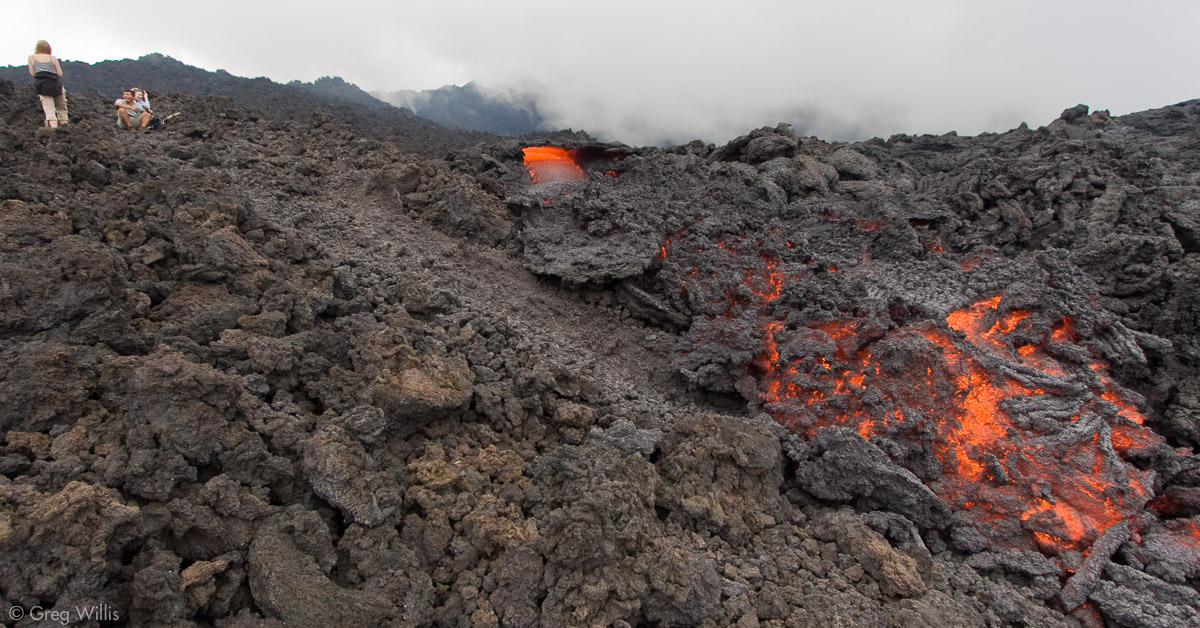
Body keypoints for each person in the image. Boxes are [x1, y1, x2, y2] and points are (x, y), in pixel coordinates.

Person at [27, 40, 68, 128]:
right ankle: (65, 128)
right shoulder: (52, 58)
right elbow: (60, 73)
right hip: (56, 85)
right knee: (61, 108)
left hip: (42, 86)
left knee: (49, 109)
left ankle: (53, 130)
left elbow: (33, 73)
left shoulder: (31, 58)